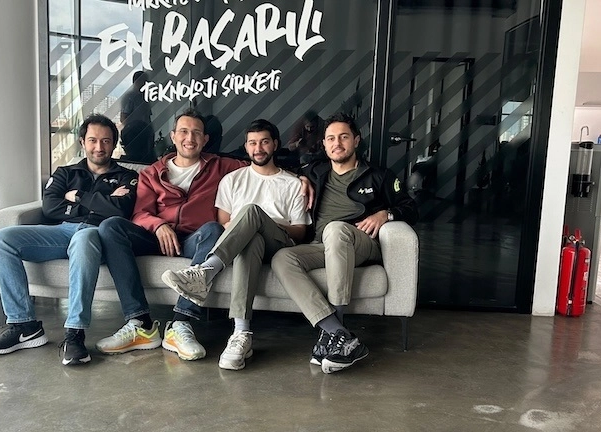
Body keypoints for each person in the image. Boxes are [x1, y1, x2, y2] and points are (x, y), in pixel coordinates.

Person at [0, 114, 139, 366]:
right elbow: (50, 208)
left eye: (106, 141)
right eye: (93, 140)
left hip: (97, 234)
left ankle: (75, 333)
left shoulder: (127, 176)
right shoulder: (65, 172)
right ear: (82, 142)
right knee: (2, 239)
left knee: (84, 238)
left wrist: (77, 197)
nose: (99, 147)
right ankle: (24, 326)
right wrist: (101, 202)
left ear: (114, 144)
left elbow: (120, 210)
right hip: (62, 232)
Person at [94, 109, 247, 361]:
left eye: (196, 133)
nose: (190, 138)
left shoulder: (220, 166)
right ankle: (140, 324)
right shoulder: (152, 173)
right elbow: (140, 213)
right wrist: (158, 225)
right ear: (173, 136)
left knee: (213, 229)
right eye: (184, 132)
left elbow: (260, 167)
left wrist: (297, 179)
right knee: (111, 227)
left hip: (194, 240)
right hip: (155, 238)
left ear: (205, 139)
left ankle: (180, 323)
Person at [271, 112, 418, 374]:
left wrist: (385, 214)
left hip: (360, 243)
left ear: (356, 140)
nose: (337, 143)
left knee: (336, 229)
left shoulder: (377, 175)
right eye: (331, 138)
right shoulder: (315, 171)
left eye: (343, 137)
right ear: (324, 144)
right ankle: (337, 333)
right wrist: (300, 178)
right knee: (282, 257)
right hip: (322, 245)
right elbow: (279, 166)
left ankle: (337, 326)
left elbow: (411, 207)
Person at [160, 119, 311, 370]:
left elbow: (300, 232)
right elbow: (223, 224)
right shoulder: (232, 180)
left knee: (251, 212)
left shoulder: (293, 183)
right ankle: (241, 333)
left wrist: (264, 222)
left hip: (279, 245)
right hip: (244, 245)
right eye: (252, 143)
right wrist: (252, 228)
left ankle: (206, 271)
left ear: (275, 145)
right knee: (251, 239)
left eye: (264, 142)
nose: (258, 148)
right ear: (246, 146)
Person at [119, 71, 155, 163]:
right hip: (135, 135)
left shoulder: (145, 98)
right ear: (137, 81)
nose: (145, 84)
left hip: (146, 134)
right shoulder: (130, 97)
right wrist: (130, 131)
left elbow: (147, 116)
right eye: (144, 81)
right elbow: (123, 117)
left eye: (146, 81)